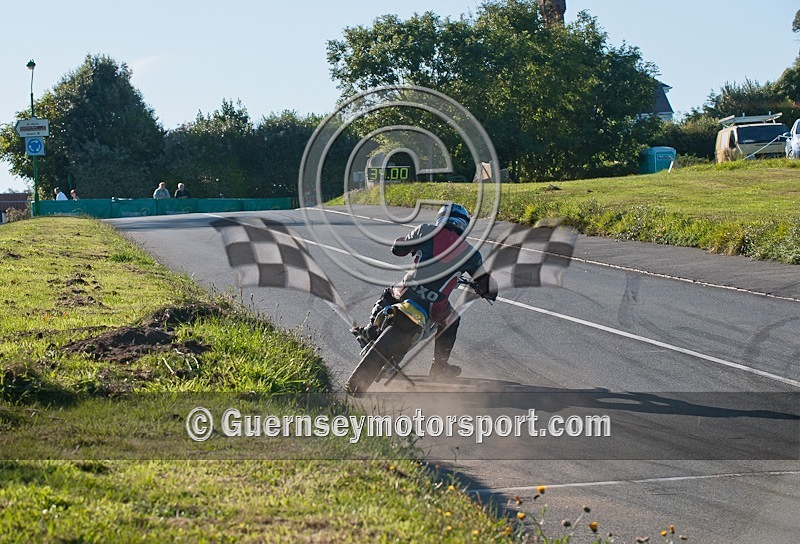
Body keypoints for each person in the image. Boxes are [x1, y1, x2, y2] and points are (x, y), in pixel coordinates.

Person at [352, 203, 496, 381]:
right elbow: (486, 283)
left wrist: (409, 246)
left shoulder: (425, 230)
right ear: (463, 224)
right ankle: (439, 367)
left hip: (407, 291)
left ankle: (370, 329)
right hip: (435, 306)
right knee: (453, 321)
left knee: (389, 293)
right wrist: (488, 291)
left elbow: (397, 249)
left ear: (441, 218)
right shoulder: (471, 254)